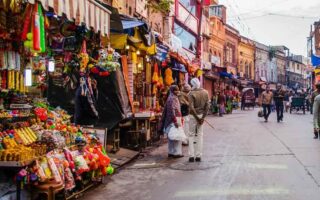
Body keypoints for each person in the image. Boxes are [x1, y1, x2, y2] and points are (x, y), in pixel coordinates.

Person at [188, 78, 209, 162]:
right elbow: (207, 107)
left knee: (191, 135)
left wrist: (197, 118)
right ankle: (198, 155)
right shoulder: (205, 92)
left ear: (192, 84)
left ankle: (191, 156)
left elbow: (191, 108)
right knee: (200, 135)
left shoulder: (191, 93)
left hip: (193, 116)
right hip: (201, 116)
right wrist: (202, 118)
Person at [160, 85, 184, 158]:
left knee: (171, 137)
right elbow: (172, 110)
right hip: (174, 120)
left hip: (172, 119)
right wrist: (175, 120)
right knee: (176, 137)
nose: (177, 91)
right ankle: (176, 153)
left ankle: (171, 152)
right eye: (175, 90)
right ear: (172, 91)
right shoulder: (172, 98)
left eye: (178, 90)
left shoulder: (171, 97)